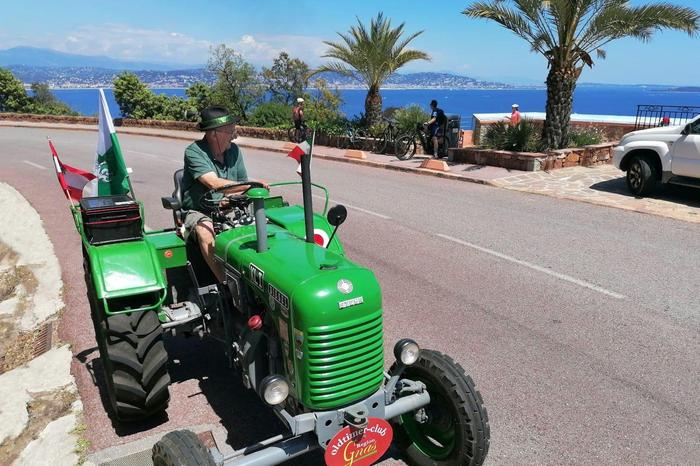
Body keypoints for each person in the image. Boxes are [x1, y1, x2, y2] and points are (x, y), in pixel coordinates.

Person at [181, 106, 266, 281]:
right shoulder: (194, 152)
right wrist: (251, 185)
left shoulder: (234, 151)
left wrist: (247, 191)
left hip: (230, 206)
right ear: (213, 134)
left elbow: (242, 184)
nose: (235, 135)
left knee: (264, 224)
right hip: (200, 210)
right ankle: (226, 284)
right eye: (230, 131)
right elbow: (213, 183)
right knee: (206, 232)